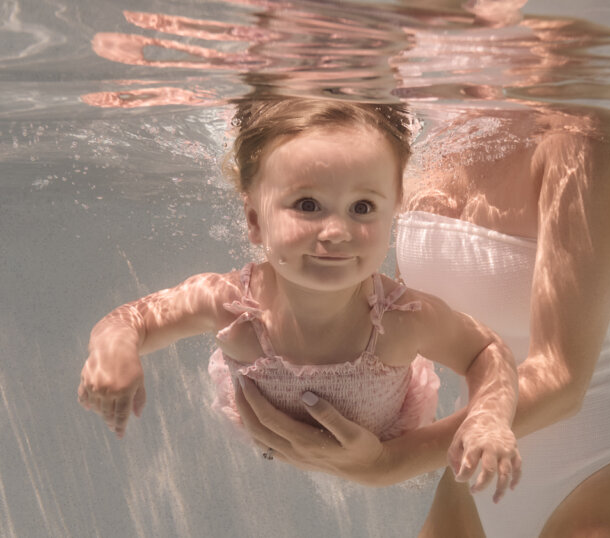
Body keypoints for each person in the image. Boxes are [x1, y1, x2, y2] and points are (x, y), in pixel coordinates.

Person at [233, 106, 610, 537]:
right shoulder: (425, 130)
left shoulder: (585, 135)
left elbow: (562, 377)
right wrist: (302, 403)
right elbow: (389, 315)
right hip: (472, 475)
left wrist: (387, 463)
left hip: (605, 472)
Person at [77, 96, 523, 502]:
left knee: (420, 484)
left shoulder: (401, 320)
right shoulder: (231, 304)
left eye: (363, 207)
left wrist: (488, 416)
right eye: (308, 205)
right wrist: (114, 347)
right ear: (254, 220)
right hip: (268, 436)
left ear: (394, 215)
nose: (337, 231)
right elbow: (131, 319)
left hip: (386, 442)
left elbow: (486, 350)